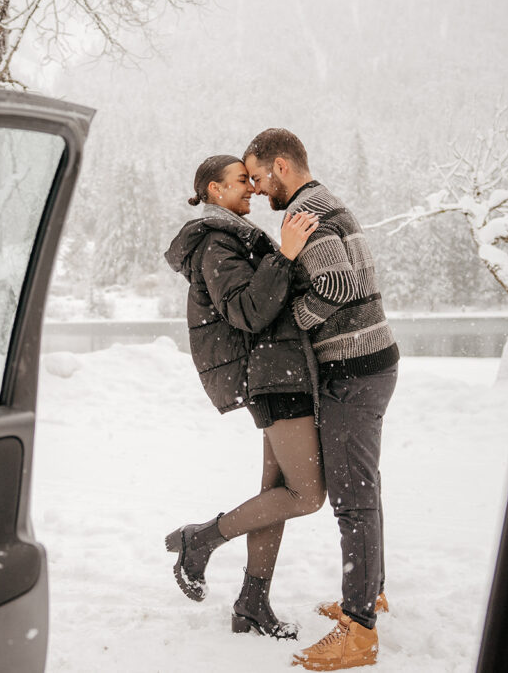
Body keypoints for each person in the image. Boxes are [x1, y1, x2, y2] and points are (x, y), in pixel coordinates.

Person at [243, 129, 399, 670]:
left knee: (352, 500)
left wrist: (290, 324)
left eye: (260, 177)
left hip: (353, 371)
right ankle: (369, 594)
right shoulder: (325, 203)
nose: (259, 190)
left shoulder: (305, 216)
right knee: (364, 488)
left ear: (282, 166)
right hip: (371, 364)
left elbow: (335, 284)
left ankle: (359, 631)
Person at [163, 154, 325, 640]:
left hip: (283, 372)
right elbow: (246, 310)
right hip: (273, 378)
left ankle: (252, 602)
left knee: (275, 495)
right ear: (215, 190)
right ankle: (202, 540)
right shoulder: (217, 242)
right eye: (240, 182)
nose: (251, 188)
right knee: (307, 495)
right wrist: (286, 255)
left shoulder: (238, 238)